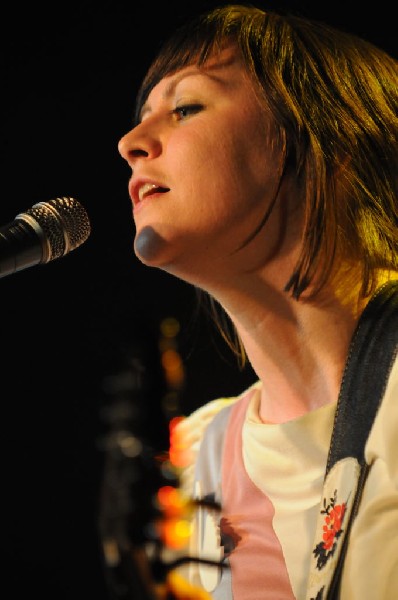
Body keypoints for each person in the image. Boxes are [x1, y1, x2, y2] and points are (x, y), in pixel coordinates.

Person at [117, 3, 398, 598]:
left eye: (185, 107)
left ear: (321, 137)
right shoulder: (197, 461)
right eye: (141, 118)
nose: (130, 143)